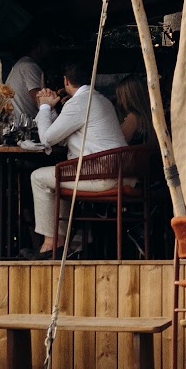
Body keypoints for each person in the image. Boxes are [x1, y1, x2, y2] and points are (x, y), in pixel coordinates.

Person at [30, 55, 127, 257]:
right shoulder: (102, 100)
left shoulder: (79, 104)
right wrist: (54, 107)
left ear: (65, 80)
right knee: (57, 179)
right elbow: (62, 133)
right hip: (118, 173)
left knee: (38, 177)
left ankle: (51, 243)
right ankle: (62, 240)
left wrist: (45, 107)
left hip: (100, 176)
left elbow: (47, 138)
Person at [3, 49, 49, 134]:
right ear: (38, 47)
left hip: (15, 126)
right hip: (25, 127)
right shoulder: (29, 66)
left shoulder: (19, 65)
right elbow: (40, 99)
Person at [113, 76, 159, 151]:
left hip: (135, 160)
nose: (119, 101)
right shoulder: (148, 115)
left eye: (120, 96)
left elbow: (119, 142)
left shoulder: (133, 117)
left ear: (126, 98)